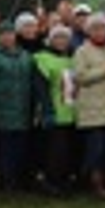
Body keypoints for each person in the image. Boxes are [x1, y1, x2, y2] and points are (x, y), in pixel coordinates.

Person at [72, 13, 105, 196]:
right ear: (88, 31)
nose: (99, 32)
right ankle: (93, 181)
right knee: (95, 149)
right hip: (91, 109)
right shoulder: (81, 52)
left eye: (102, 28)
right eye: (95, 28)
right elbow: (80, 76)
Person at [0, 22, 37, 191]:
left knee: (22, 146)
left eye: (10, 34)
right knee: (6, 148)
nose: (7, 37)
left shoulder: (26, 56)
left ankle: (21, 179)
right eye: (3, 34)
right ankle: (7, 180)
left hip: (23, 108)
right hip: (3, 108)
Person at [34, 24, 79, 195]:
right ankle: (51, 182)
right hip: (55, 111)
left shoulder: (73, 59)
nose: (61, 41)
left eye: (65, 38)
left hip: (72, 112)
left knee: (69, 151)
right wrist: (47, 110)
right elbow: (41, 88)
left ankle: (66, 180)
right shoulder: (42, 58)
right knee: (55, 151)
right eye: (57, 38)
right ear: (50, 40)